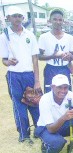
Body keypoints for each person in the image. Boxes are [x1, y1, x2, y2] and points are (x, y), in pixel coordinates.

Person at [0, 6, 41, 144]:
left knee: (35, 104)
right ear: (9, 18)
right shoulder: (4, 36)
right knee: (19, 106)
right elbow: (4, 60)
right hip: (14, 76)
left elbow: (35, 59)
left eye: (19, 16)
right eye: (14, 16)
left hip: (29, 75)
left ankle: (39, 131)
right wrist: (9, 62)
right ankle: (24, 135)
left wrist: (37, 81)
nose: (17, 18)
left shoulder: (30, 35)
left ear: (23, 18)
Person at [38, 9, 73, 93]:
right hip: (50, 68)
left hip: (64, 69)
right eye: (55, 19)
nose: (57, 22)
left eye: (60, 20)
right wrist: (53, 56)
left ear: (63, 21)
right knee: (50, 93)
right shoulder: (44, 37)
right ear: (50, 20)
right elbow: (39, 56)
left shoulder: (69, 38)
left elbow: (72, 57)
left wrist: (69, 57)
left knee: (66, 93)